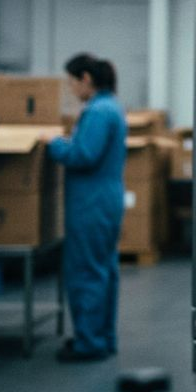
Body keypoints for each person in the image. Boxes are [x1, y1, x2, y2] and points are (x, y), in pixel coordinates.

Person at [45, 53, 126, 362]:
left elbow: (83, 156)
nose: (71, 89)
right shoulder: (110, 108)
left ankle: (89, 343)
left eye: (71, 83)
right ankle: (103, 337)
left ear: (86, 79)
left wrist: (54, 143)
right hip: (105, 199)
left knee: (86, 272)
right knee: (104, 269)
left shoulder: (97, 111)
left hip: (91, 203)